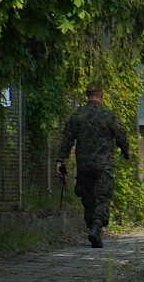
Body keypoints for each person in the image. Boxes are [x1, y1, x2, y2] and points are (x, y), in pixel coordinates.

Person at [56, 84, 131, 248]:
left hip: (84, 165)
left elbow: (67, 139)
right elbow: (121, 135)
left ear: (87, 95)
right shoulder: (108, 115)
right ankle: (96, 227)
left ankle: (91, 227)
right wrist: (126, 152)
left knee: (88, 198)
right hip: (104, 166)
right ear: (101, 95)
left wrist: (60, 160)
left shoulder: (77, 116)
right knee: (103, 198)